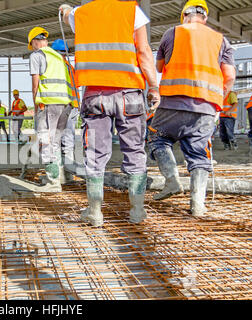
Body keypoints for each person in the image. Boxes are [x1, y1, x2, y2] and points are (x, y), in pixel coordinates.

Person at [60, 0, 161, 226]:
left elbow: (67, 15)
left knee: (95, 153)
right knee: (135, 151)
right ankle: (137, 211)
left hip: (95, 94)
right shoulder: (132, 11)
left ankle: (95, 212)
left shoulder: (81, 13)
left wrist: (66, 9)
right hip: (129, 94)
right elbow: (144, 51)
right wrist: (153, 86)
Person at [148, 0, 236, 217]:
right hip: (206, 107)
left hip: (172, 104)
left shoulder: (172, 33)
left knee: (158, 138)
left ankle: (171, 181)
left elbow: (158, 66)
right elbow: (230, 76)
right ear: (204, 17)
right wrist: (217, 101)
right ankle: (197, 205)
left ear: (184, 15)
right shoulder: (220, 40)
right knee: (198, 155)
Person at [28, 26, 74, 192]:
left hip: (48, 103)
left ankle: (52, 183)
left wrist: (35, 105)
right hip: (65, 104)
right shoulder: (59, 57)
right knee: (55, 142)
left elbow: (35, 83)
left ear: (34, 42)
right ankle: (58, 178)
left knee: (45, 141)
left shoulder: (37, 55)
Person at [51, 39, 80, 184]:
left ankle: (60, 176)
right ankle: (68, 174)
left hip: (65, 106)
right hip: (72, 105)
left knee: (58, 139)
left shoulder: (58, 66)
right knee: (67, 140)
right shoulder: (69, 65)